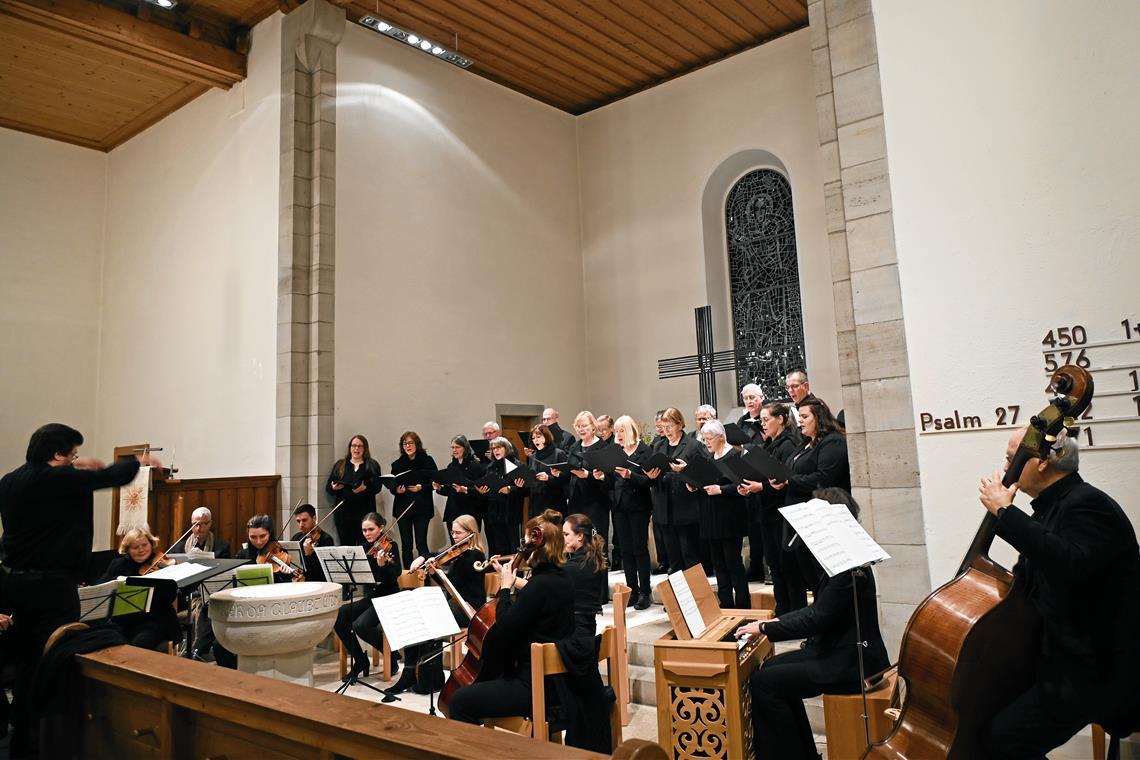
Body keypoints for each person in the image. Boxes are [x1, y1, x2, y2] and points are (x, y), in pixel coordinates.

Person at [0, 423, 161, 758]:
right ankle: (52, 739)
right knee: (56, 660)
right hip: (51, 587)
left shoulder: (10, 481)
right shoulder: (54, 479)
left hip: (14, 584)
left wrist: (75, 471)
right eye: (71, 455)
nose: (75, 460)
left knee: (28, 662)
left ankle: (24, 739)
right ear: (57, 454)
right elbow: (111, 477)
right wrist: (139, 461)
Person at [977, 428, 1140, 758]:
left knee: (1004, 740)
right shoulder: (1051, 508)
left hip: (1094, 670)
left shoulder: (1089, 505)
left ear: (1040, 461)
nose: (1007, 468)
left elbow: (1069, 564)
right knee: (990, 718)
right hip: (1062, 660)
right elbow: (1037, 578)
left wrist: (1005, 515)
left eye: (1012, 459)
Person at [738, 488, 888, 760]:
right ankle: (803, 752)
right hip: (837, 651)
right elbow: (818, 610)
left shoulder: (849, 567)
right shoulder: (842, 559)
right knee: (770, 669)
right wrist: (777, 621)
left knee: (765, 682)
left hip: (851, 662)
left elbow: (817, 618)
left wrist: (766, 628)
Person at [446, 516, 574, 726]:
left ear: (535, 547)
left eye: (523, 544)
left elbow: (504, 630)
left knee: (459, 701)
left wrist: (505, 589)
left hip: (534, 685)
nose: (521, 550)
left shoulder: (538, 585)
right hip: (558, 679)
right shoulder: (562, 578)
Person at [394, 514, 488, 695]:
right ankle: (414, 673)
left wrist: (434, 571)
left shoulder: (474, 555)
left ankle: (427, 679)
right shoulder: (458, 551)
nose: (454, 536)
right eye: (452, 532)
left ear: (471, 533)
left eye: (458, 533)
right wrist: (423, 557)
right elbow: (436, 554)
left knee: (428, 623)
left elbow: (453, 582)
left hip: (468, 607)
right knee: (418, 620)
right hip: (454, 602)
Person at [770, 398, 848, 601]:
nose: (801, 421)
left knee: (819, 575)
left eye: (805, 417)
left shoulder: (833, 441)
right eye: (800, 417)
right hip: (798, 517)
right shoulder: (805, 443)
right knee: (803, 573)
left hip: (819, 518)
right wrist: (781, 479)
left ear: (819, 418)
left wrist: (788, 481)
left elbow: (823, 478)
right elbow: (791, 471)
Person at [213, 514, 301, 668]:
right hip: (246, 612)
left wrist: (285, 577)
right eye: (253, 537)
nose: (259, 541)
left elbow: (288, 590)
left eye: (263, 536)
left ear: (270, 533)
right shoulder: (242, 556)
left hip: (271, 611)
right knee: (219, 644)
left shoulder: (279, 553)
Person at [739, 403, 802, 613]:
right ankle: (783, 609)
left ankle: (794, 611)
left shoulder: (788, 445)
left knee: (787, 567)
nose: (762, 424)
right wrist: (751, 487)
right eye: (762, 421)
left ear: (781, 419)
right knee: (775, 565)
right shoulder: (770, 444)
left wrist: (762, 486)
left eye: (766, 420)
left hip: (782, 514)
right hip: (767, 512)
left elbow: (787, 480)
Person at [332, 512, 402, 680]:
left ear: (381, 528)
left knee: (361, 625)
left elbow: (394, 575)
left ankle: (391, 655)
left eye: (371, 529)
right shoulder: (364, 548)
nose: (367, 533)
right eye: (364, 530)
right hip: (371, 597)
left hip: (388, 597)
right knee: (338, 616)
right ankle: (360, 660)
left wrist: (382, 565)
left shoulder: (391, 547)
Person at [694, 420, 750, 609]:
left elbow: (743, 484)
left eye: (709, 438)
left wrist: (722, 490)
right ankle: (725, 605)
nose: (707, 442)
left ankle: (743, 606)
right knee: (718, 565)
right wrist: (694, 485)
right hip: (711, 517)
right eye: (704, 439)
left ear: (721, 437)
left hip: (730, 518)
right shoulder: (710, 458)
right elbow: (705, 482)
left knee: (733, 563)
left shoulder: (735, 455)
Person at [97, 528, 182, 651]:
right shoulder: (118, 565)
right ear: (127, 550)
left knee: (138, 645)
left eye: (144, 545)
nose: (141, 550)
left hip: (153, 621)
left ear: (151, 544)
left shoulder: (161, 564)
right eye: (135, 547)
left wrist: (166, 576)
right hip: (123, 621)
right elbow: (100, 585)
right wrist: (117, 581)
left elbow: (169, 597)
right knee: (105, 640)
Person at [169, 505, 230, 660]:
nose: (199, 528)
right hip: (185, 591)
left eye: (203, 523)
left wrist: (206, 559)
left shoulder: (221, 546)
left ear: (210, 524)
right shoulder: (181, 546)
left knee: (205, 605)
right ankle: (195, 649)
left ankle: (197, 649)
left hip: (211, 590)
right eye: (195, 524)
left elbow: (224, 571)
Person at [647, 408, 704, 574]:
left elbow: (703, 475)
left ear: (679, 424)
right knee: (673, 558)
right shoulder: (658, 445)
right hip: (664, 507)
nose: (666, 431)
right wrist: (651, 476)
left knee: (689, 554)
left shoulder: (693, 446)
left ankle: (697, 595)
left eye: (670, 426)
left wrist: (686, 471)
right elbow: (655, 471)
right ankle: (677, 596)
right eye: (663, 427)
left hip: (685, 507)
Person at [610, 415, 654, 609]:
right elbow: (612, 482)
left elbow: (649, 481)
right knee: (626, 549)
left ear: (629, 430)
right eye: (616, 431)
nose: (618, 434)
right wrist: (602, 476)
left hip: (638, 506)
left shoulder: (644, 451)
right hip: (619, 506)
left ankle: (645, 591)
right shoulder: (616, 452)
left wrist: (630, 475)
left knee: (639, 548)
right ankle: (632, 590)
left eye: (621, 430)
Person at [567, 411, 612, 565]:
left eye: (584, 426)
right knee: (577, 544)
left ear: (593, 427)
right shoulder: (574, 446)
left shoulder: (602, 447)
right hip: (576, 501)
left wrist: (589, 476)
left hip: (595, 502)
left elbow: (608, 478)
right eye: (578, 426)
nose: (581, 429)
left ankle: (599, 583)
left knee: (595, 544)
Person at [387, 431, 438, 569]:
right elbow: (392, 486)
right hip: (403, 508)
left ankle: (424, 574)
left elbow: (436, 482)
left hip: (422, 507)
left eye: (410, 443)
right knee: (406, 544)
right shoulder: (397, 464)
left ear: (417, 444)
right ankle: (408, 577)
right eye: (405, 443)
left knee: (421, 543)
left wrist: (421, 487)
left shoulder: (427, 461)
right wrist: (396, 490)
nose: (408, 446)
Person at [325, 434, 383, 544]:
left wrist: (364, 489)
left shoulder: (372, 465)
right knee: (347, 547)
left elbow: (377, 487)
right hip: (344, 514)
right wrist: (335, 488)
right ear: (350, 448)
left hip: (365, 513)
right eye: (354, 446)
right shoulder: (340, 465)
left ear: (365, 448)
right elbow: (329, 488)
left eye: (360, 446)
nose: (356, 449)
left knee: (365, 546)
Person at [476, 436, 525, 557]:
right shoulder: (491, 467)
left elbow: (526, 490)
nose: (495, 451)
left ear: (507, 449)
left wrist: (511, 489)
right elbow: (489, 486)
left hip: (510, 512)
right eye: (493, 448)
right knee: (497, 547)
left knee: (512, 546)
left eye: (499, 448)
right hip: (494, 512)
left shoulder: (515, 465)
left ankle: (514, 573)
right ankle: (498, 573)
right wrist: (483, 491)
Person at [562, 513, 607, 636]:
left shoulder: (576, 567)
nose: (562, 539)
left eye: (566, 534)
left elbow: (539, 586)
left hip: (576, 636)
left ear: (580, 536)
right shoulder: (591, 558)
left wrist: (509, 579)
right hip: (587, 629)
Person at [434, 435, 486, 534]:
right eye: (452, 447)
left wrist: (465, 490)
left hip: (470, 510)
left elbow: (481, 491)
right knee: (455, 546)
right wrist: (440, 488)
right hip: (453, 510)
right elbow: (450, 489)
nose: (454, 450)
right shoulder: (451, 466)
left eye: (457, 447)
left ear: (465, 448)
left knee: (470, 544)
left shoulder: (475, 466)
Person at [528, 424, 569, 519]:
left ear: (546, 437)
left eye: (538, 437)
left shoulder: (558, 454)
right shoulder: (533, 456)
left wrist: (548, 478)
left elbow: (567, 478)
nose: (535, 440)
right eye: (533, 438)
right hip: (536, 501)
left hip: (554, 501)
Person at [290, 503, 334, 581]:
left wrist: (308, 554)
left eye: (304, 520)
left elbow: (322, 573)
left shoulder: (325, 539)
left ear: (314, 519)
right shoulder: (296, 537)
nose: (301, 525)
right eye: (298, 521)